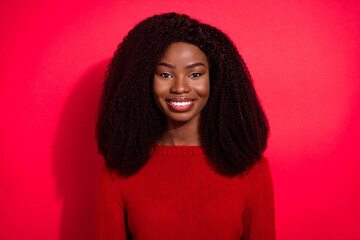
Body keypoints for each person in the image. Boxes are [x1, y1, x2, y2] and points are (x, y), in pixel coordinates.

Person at [95, 12, 275, 240]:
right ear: (144, 81)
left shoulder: (251, 170)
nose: (180, 87)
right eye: (165, 74)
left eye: (195, 74)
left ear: (215, 79)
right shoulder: (119, 169)